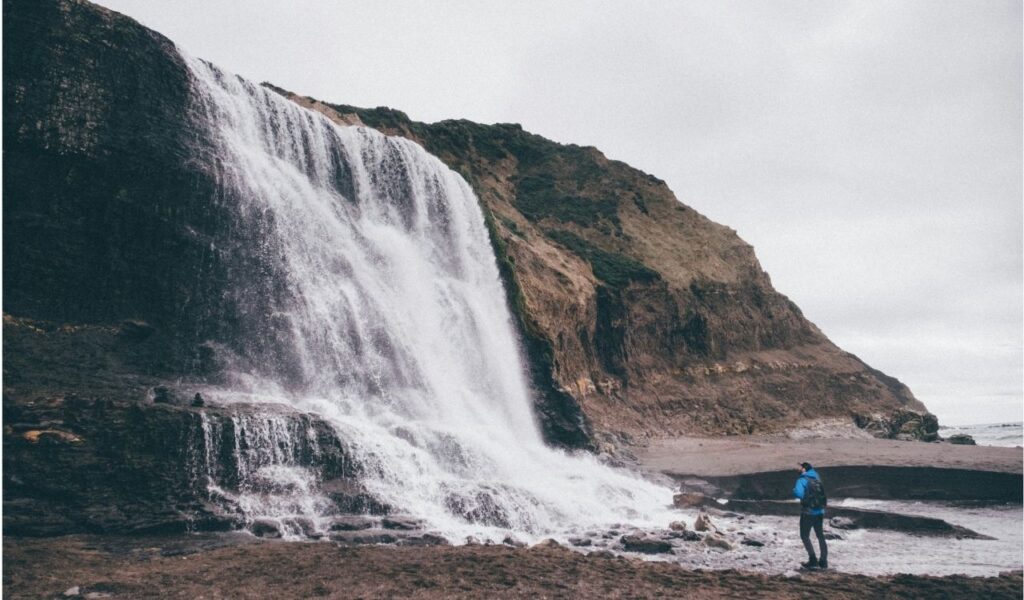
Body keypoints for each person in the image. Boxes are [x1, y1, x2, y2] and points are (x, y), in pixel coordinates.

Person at [793, 461, 828, 570]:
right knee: (820, 535)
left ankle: (813, 560)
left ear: (804, 469)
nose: (797, 469)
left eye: (799, 467)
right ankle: (823, 561)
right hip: (820, 511)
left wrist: (795, 491)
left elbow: (798, 493)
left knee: (805, 535)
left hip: (808, 512)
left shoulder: (802, 480)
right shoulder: (816, 477)